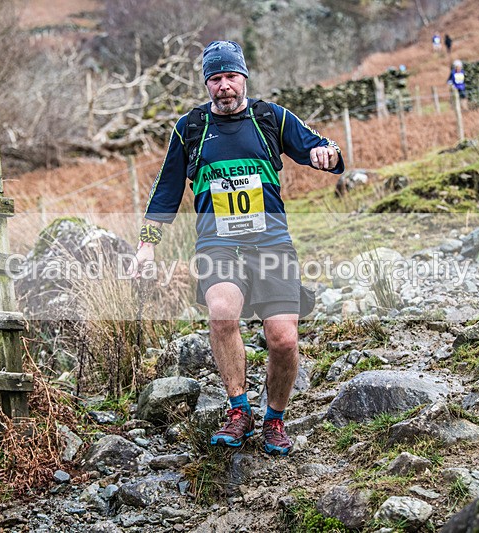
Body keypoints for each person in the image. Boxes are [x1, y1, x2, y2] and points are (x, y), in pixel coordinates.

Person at [131, 40, 344, 456]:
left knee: (283, 340)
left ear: (243, 78)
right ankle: (239, 411)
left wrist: (328, 154)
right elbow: (165, 192)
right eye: (215, 79)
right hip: (218, 243)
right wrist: (146, 246)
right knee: (222, 311)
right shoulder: (190, 128)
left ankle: (274, 419)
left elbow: (325, 151)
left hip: (272, 243)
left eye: (231, 76)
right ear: (206, 84)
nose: (224, 86)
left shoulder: (271, 118)